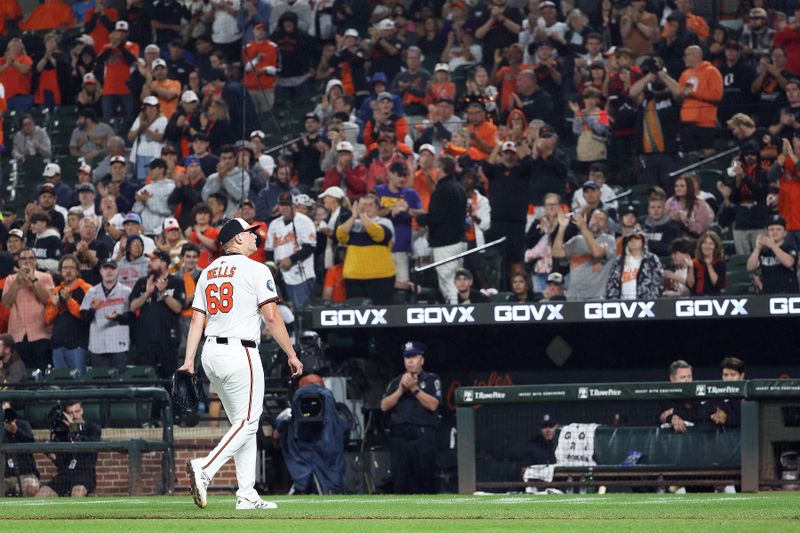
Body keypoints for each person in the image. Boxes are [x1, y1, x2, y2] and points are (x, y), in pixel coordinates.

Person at [181, 217, 302, 510]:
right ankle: (205, 468)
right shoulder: (257, 269)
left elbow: (197, 320)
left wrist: (188, 362)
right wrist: (291, 353)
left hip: (210, 353)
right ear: (236, 240)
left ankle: (246, 493)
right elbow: (272, 317)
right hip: (240, 352)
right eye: (250, 233)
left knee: (243, 424)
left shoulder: (207, 272)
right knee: (248, 422)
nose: (255, 237)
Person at [380, 341, 441, 494]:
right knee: (400, 481)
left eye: (414, 357)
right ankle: (402, 515)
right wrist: (401, 389)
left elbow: (434, 405)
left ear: (422, 360)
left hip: (422, 436)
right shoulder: (396, 381)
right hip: (399, 436)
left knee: (425, 481)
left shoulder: (431, 379)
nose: (410, 361)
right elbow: (384, 406)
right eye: (407, 357)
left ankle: (429, 515)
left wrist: (414, 389)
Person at [416, 157, 467, 304]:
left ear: (441, 169)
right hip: (459, 242)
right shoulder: (458, 187)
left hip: (445, 244)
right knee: (457, 281)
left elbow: (435, 217)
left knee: (448, 283)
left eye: (436, 167)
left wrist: (420, 219)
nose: (434, 170)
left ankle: (455, 319)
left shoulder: (442, 190)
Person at [129, 251, 185, 378]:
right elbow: (133, 306)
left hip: (168, 341)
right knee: (147, 379)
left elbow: (178, 308)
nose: (150, 263)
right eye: (150, 260)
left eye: (154, 260)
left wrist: (163, 293)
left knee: (169, 380)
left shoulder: (176, 282)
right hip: (145, 341)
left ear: (164, 263)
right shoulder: (142, 283)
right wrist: (147, 293)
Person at [336, 194, 396, 304]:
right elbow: (341, 236)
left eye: (370, 205)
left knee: (382, 315)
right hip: (354, 276)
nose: (367, 207)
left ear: (377, 207)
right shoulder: (353, 224)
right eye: (364, 205)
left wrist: (362, 215)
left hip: (381, 276)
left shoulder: (384, 222)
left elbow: (379, 235)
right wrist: (353, 216)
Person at [1, 249, 54, 371]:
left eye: (31, 258)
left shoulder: (45, 277)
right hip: (17, 334)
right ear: (18, 262)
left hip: (40, 332)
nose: (27, 262)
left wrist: (33, 280)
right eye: (24, 259)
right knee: (20, 373)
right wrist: (17, 283)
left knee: (41, 372)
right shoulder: (10, 279)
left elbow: (47, 300)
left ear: (35, 261)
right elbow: (6, 303)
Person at [35, 400, 101, 498]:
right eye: (70, 413)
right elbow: (60, 462)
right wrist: (51, 454)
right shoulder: (63, 431)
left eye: (77, 411)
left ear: (82, 411)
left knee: (77, 492)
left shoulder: (92, 428)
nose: (74, 416)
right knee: (43, 493)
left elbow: (88, 446)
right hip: (66, 475)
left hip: (85, 475)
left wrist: (73, 427)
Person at [375, 162, 423, 290]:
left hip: (402, 248)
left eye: (405, 175)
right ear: (390, 174)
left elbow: (422, 213)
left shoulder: (411, 193)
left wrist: (407, 210)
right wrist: (390, 209)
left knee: (403, 285)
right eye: (399, 175)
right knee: (382, 286)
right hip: (381, 248)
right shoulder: (379, 191)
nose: (402, 179)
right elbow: (371, 214)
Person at [265, 192, 317, 308]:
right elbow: (269, 250)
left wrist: (291, 259)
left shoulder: (304, 221)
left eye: (287, 205)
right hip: (280, 275)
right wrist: (272, 268)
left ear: (294, 206)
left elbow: (310, 247)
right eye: (282, 205)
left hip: (300, 275)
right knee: (283, 311)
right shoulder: (274, 224)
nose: (284, 208)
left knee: (300, 311)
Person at [552, 210, 616, 301]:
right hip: (573, 297)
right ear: (589, 220)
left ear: (606, 226)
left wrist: (583, 228)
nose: (597, 221)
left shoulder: (609, 240)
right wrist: (562, 228)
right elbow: (556, 253)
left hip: (596, 298)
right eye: (595, 217)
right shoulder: (577, 240)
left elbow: (597, 253)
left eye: (601, 219)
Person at [80, 259, 131, 371]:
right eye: (105, 268)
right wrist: (93, 309)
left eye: (112, 268)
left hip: (119, 344)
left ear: (117, 271)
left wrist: (118, 317)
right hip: (98, 344)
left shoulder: (126, 291)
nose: (109, 271)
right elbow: (83, 319)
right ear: (100, 271)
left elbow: (133, 317)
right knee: (100, 381)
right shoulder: (91, 292)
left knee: (119, 382)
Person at [47, 255, 92, 375]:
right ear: (60, 271)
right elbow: (47, 320)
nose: (68, 271)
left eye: (71, 267)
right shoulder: (55, 291)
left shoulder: (87, 289)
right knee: (62, 382)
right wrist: (55, 305)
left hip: (78, 345)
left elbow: (84, 316)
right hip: (57, 344)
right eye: (65, 268)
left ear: (77, 271)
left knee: (79, 382)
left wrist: (68, 300)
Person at [747, 215, 799, 294]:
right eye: (771, 229)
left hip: (788, 294)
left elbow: (789, 263)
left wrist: (772, 246)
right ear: (767, 232)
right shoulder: (763, 250)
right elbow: (750, 267)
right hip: (768, 294)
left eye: (778, 229)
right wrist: (757, 248)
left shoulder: (789, 246)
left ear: (785, 233)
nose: (775, 232)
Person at [605, 231, 663, 300]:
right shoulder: (619, 261)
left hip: (645, 303)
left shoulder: (651, 259)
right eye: (630, 240)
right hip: (623, 303)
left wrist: (653, 299)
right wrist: (613, 299)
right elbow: (612, 282)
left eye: (637, 239)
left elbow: (658, 281)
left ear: (643, 241)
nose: (633, 242)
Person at [2, 406, 40, 497]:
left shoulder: (23, 425)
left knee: (30, 488)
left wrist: (16, 431)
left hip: (26, 475)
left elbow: (31, 443)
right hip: (4, 478)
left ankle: (30, 512)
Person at [664, 174, 715, 238]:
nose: (678, 189)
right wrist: (670, 218)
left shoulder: (700, 205)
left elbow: (702, 228)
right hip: (673, 238)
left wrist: (687, 222)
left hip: (694, 239)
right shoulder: (671, 202)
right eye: (676, 186)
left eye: (682, 186)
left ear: (689, 187)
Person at [688, 231, 727, 296]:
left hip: (714, 298)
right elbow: (690, 285)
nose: (707, 246)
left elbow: (717, 284)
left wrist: (709, 265)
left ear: (716, 247)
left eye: (711, 244)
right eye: (705, 243)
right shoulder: (694, 263)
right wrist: (691, 267)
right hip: (695, 298)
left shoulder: (720, 264)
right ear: (701, 245)